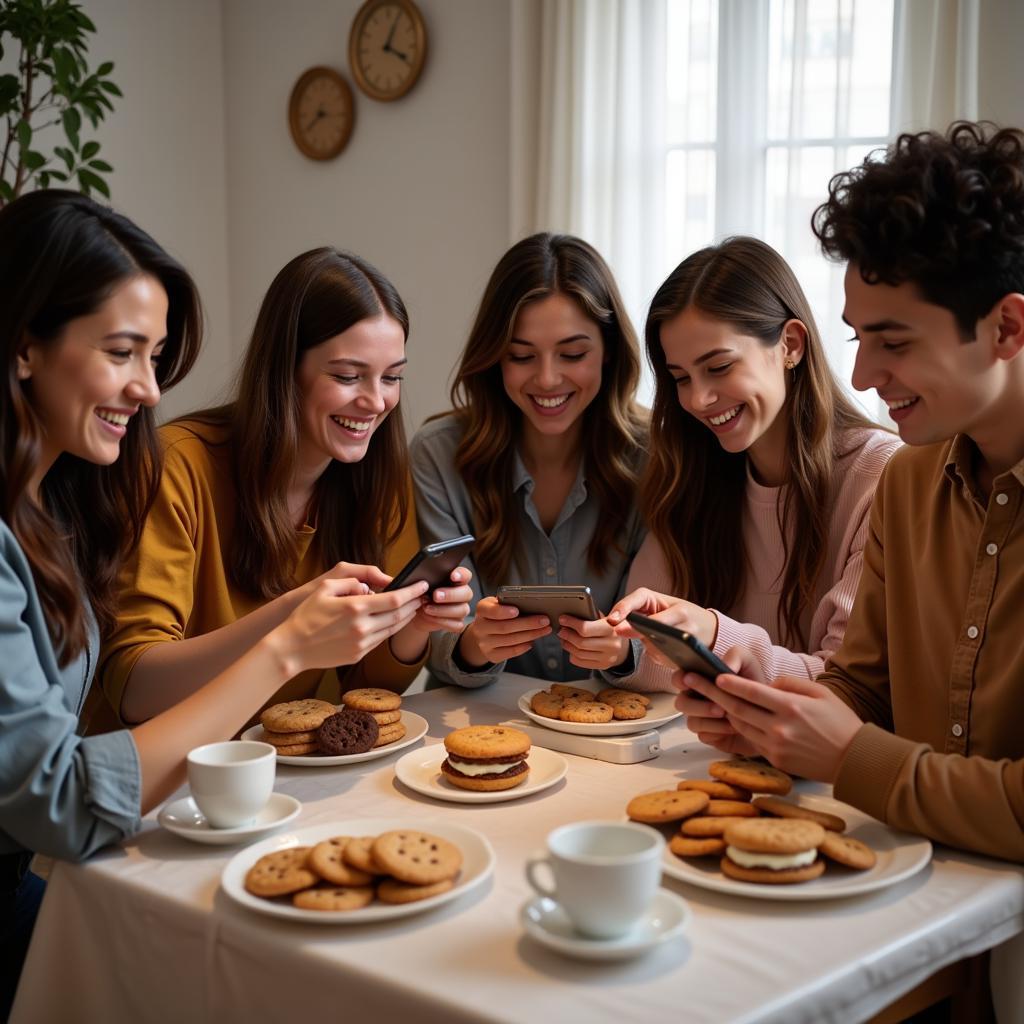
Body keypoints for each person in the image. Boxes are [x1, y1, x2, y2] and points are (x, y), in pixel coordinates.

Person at [0, 192, 430, 1017]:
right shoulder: (170, 472)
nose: (151, 390)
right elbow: (63, 793)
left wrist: (400, 630)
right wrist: (285, 648)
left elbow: (375, 677)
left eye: (156, 358)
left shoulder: (49, 509)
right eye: (124, 353)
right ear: (25, 346)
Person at [674, 123, 1024, 865]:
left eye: (894, 343)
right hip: (916, 903)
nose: (862, 377)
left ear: (1008, 327)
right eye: (857, 338)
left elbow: (869, 746)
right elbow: (862, 692)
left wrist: (853, 758)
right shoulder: (910, 481)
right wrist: (771, 722)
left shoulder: (881, 469)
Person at [98, 247, 472, 726]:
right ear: (284, 369)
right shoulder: (175, 466)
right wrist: (290, 620)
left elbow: (366, 691)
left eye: (392, 377)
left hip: (283, 774)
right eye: (346, 376)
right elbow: (136, 690)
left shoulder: (379, 478)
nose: (376, 401)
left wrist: (411, 625)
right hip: (158, 781)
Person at [604, 237, 899, 688]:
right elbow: (649, 660)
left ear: (791, 346)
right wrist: (621, 649)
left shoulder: (880, 474)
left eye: (719, 367)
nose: (699, 399)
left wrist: (714, 636)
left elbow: (849, 686)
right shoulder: (694, 473)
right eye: (680, 378)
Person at [410, 233, 647, 687]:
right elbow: (434, 636)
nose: (547, 379)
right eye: (521, 356)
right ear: (495, 356)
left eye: (573, 354)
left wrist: (622, 651)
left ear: (610, 351)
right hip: (472, 726)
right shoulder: (438, 455)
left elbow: (657, 631)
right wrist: (473, 644)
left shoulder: (655, 458)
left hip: (612, 732)